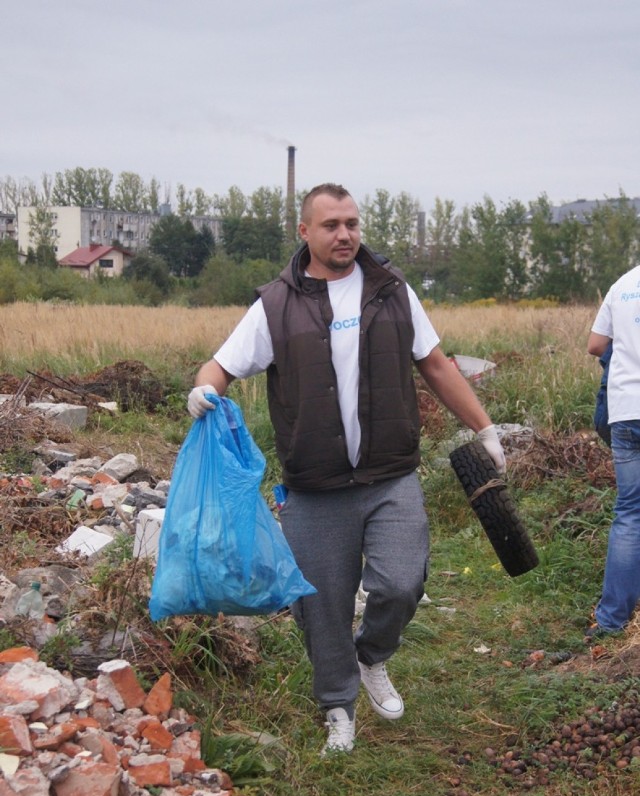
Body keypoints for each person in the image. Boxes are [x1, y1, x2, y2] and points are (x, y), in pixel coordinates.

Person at [188, 183, 506, 755]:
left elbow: (435, 364)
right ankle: (338, 705)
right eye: (331, 224)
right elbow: (221, 365)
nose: (345, 235)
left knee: (402, 582)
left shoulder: (391, 290)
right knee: (321, 604)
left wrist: (483, 428)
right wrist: (203, 391)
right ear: (305, 232)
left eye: (352, 223)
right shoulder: (275, 304)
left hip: (391, 474)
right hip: (315, 486)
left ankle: (373, 655)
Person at [586, 263, 640, 640]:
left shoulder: (623, 284)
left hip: (626, 413)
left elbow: (595, 345)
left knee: (630, 514)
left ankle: (610, 620)